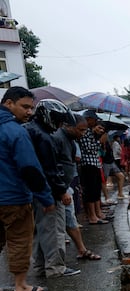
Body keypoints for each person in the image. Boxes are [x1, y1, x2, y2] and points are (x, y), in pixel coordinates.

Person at [0, 87, 55, 291]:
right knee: (19, 241)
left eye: (31, 108)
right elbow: (30, 168)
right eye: (25, 107)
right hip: (13, 198)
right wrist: (46, 198)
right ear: (9, 104)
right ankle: (21, 286)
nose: (29, 112)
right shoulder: (16, 132)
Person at [25, 98, 80, 279]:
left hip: (34, 192)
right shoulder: (43, 137)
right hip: (47, 192)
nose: (58, 125)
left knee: (40, 231)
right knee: (54, 230)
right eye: (57, 121)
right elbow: (50, 169)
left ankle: (42, 267)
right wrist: (61, 191)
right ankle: (56, 268)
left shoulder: (30, 131)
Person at [53, 112, 100, 261]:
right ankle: (55, 266)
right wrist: (61, 190)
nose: (83, 133)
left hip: (65, 186)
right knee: (58, 227)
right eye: (80, 130)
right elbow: (53, 168)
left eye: (85, 130)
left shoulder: (71, 140)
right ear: (68, 126)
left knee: (70, 220)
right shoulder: (57, 139)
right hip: (59, 189)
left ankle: (81, 250)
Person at [77, 110, 110, 224]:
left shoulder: (90, 132)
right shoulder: (84, 132)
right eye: (94, 120)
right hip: (88, 164)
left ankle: (98, 213)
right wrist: (99, 142)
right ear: (88, 119)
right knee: (90, 191)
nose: (95, 122)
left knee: (96, 190)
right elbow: (88, 148)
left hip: (95, 163)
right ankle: (92, 216)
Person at [102, 132, 126, 200]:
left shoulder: (108, 142)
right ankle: (106, 197)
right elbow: (101, 154)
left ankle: (120, 193)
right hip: (105, 163)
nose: (106, 135)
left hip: (111, 162)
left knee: (121, 176)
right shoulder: (100, 143)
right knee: (104, 180)